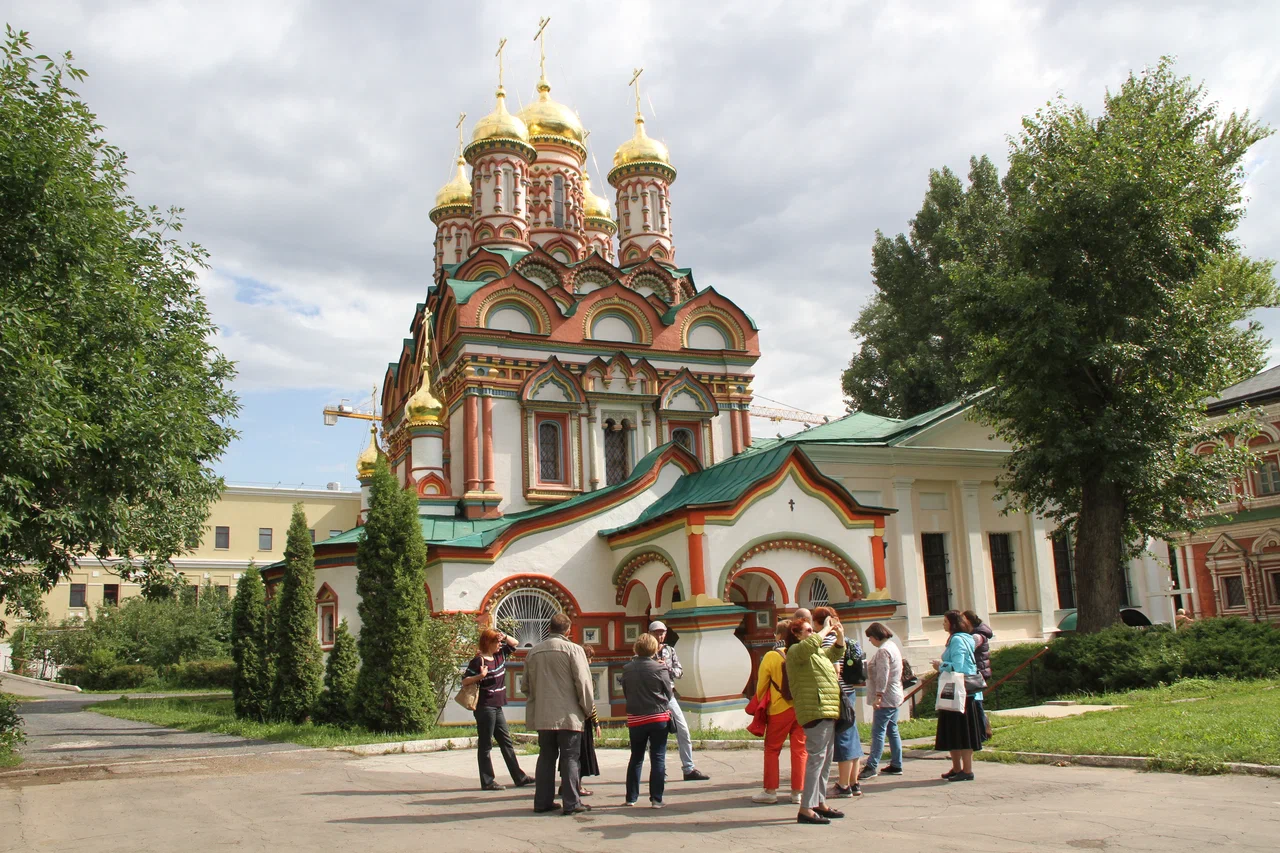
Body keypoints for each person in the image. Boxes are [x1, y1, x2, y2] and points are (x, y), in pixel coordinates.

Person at [524, 612, 596, 815]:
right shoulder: (574, 650)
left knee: (546, 756)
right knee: (571, 758)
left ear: (549, 629)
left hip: (543, 715)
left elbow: (525, 686)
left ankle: (542, 801)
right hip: (569, 715)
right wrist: (587, 709)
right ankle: (571, 803)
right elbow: (583, 683)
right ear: (568, 631)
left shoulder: (534, 652)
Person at [785, 614, 846, 825]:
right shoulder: (795, 651)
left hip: (827, 709)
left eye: (812, 629)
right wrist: (825, 630)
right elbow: (812, 642)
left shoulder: (816, 651)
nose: (812, 633)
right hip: (814, 710)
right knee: (816, 759)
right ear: (796, 634)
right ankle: (805, 809)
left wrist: (840, 635)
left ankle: (819, 802)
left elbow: (835, 653)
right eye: (808, 630)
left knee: (825, 760)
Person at [462, 628, 535, 791]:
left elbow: (515, 643)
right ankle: (487, 781)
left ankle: (520, 777)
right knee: (486, 744)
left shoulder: (500, 654)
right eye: (497, 642)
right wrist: (479, 677)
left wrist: (504, 635)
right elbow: (465, 681)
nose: (500, 644)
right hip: (485, 707)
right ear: (488, 642)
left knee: (506, 742)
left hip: (497, 706)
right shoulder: (478, 661)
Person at [751, 621, 807, 805]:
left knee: (772, 749)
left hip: (779, 708)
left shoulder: (771, 656)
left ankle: (770, 791)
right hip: (800, 707)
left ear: (778, 636)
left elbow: (761, 687)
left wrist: (763, 703)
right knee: (800, 750)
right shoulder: (801, 654)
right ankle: (798, 792)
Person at [648, 620, 710, 781]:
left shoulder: (670, 650)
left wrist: (666, 668)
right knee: (656, 735)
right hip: (653, 696)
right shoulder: (645, 651)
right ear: (650, 634)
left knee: (683, 729)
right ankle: (659, 770)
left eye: (662, 632)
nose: (659, 636)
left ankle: (688, 768)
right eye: (656, 633)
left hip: (669, 695)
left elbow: (679, 672)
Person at [812, 606, 863, 798]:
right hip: (848, 692)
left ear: (819, 622)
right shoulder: (844, 637)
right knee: (852, 734)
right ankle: (853, 782)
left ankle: (843, 785)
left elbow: (834, 669)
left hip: (838, 694)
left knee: (843, 737)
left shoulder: (827, 640)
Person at [622, 632, 673, 808]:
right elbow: (669, 692)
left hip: (636, 718)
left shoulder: (627, 668)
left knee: (636, 757)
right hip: (658, 716)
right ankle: (656, 799)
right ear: (653, 649)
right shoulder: (660, 668)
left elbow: (626, 691)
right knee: (658, 757)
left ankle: (631, 797)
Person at [932, 609, 983, 782]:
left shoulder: (958, 640)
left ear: (953, 623)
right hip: (955, 691)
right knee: (953, 731)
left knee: (963, 732)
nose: (943, 624)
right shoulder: (963, 638)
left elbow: (958, 666)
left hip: (961, 693)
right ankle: (956, 767)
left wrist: (940, 665)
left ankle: (966, 770)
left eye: (945, 621)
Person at [860, 621, 903, 778]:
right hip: (894, 694)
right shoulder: (892, 646)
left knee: (878, 731)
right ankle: (897, 763)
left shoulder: (883, 651)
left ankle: (872, 765)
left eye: (870, 638)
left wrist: (879, 696)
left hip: (886, 697)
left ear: (875, 636)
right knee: (892, 729)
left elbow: (882, 674)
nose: (870, 641)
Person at [964, 609, 994, 740]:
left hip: (977, 673)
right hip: (978, 672)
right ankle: (981, 732)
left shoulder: (976, 636)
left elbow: (967, 651)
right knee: (977, 704)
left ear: (968, 621)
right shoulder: (973, 634)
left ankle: (982, 733)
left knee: (977, 704)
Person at [578, 645, 601, 797]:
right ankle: (576, 785)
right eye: (588, 658)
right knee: (579, 755)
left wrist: (596, 722)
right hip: (581, 720)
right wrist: (595, 722)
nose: (591, 662)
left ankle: (572, 784)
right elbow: (589, 701)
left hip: (579, 719)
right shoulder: (582, 675)